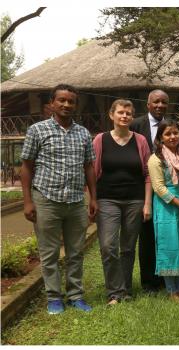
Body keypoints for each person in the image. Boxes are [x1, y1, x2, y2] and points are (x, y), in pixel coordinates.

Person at [21, 84, 97, 314]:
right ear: (52, 103)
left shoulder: (83, 133)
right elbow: (26, 166)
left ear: (75, 105)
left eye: (70, 101)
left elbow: (89, 167)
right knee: (49, 252)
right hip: (46, 199)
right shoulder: (37, 130)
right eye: (61, 100)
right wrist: (27, 201)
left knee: (76, 251)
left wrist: (93, 198)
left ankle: (75, 295)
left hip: (75, 201)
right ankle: (54, 298)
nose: (66, 105)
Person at [92, 99, 152, 305]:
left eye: (128, 113)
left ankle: (125, 290)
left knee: (127, 247)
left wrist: (147, 203)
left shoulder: (140, 141)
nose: (124, 116)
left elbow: (147, 174)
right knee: (108, 246)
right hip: (107, 199)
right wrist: (91, 200)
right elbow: (93, 172)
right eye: (120, 112)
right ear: (112, 115)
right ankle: (114, 292)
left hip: (135, 200)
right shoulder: (100, 140)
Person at [148, 120, 179, 302]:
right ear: (160, 137)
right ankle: (171, 290)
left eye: (175, 133)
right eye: (168, 134)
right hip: (167, 206)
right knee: (169, 246)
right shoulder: (156, 159)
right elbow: (159, 188)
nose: (172, 137)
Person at [129, 89, 170, 293]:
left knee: (164, 234)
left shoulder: (169, 126)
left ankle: (165, 279)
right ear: (148, 104)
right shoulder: (135, 125)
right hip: (142, 188)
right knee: (146, 237)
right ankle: (148, 282)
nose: (160, 105)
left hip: (166, 188)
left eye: (163, 102)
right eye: (156, 102)